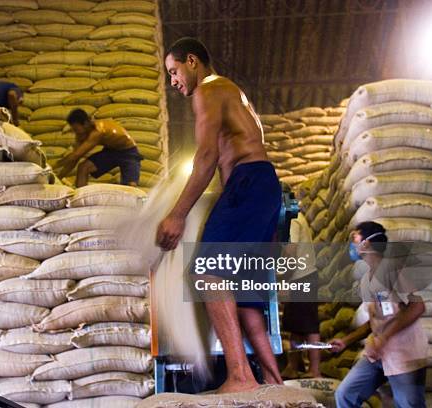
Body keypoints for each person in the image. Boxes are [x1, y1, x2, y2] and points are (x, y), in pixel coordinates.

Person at [156, 37, 283, 392]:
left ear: (192, 61)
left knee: (207, 271)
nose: (173, 81)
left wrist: (178, 214)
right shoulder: (233, 92)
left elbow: (207, 157)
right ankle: (273, 380)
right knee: (244, 295)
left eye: (174, 71)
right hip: (264, 187)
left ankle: (241, 377)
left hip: (247, 183)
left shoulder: (208, 90)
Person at [332, 221, 427, 408]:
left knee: (408, 404)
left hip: (403, 354)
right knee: (345, 394)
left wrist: (383, 338)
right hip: (378, 354)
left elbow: (417, 307)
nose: (351, 243)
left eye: (355, 237)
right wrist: (346, 341)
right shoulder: (367, 279)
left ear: (367, 243)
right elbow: (375, 321)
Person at [57, 108, 143, 187]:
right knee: (83, 167)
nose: (75, 132)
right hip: (111, 151)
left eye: (76, 129)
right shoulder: (81, 135)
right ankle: (80, 198)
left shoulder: (98, 131)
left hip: (128, 152)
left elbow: (75, 155)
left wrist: (54, 166)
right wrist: (58, 177)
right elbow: (74, 159)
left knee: (131, 185)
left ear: (86, 124)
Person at [280, 213, 321, 379]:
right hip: (297, 276)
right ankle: (293, 366)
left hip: (303, 276)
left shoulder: (292, 218)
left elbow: (291, 251)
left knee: (310, 324)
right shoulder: (288, 218)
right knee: (294, 324)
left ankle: (315, 369)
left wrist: (281, 277)